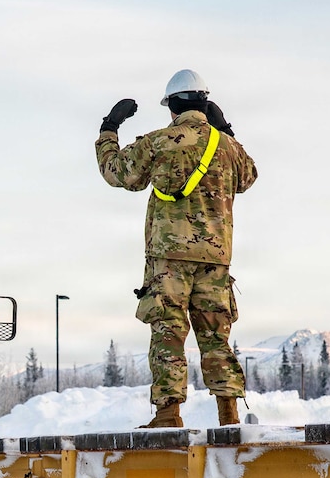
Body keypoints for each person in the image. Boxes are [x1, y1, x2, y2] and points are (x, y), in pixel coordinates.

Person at [96, 69, 258, 428]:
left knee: (168, 333)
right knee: (216, 335)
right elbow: (247, 177)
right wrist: (226, 130)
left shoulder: (158, 142)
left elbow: (116, 173)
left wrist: (109, 129)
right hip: (215, 261)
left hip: (169, 260)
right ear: (205, 103)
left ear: (171, 107)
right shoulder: (227, 147)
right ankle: (228, 415)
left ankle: (168, 415)